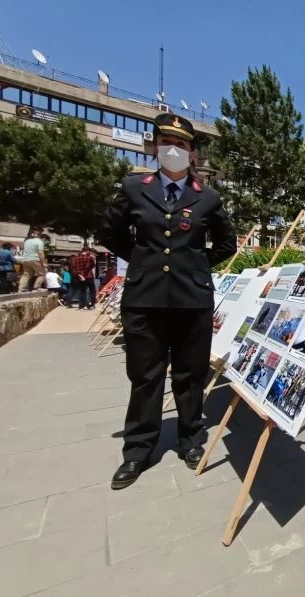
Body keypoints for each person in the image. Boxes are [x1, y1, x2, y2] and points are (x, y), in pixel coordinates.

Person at [100, 113, 236, 490]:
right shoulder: (134, 188)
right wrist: (142, 259)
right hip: (144, 298)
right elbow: (109, 232)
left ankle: (190, 438)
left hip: (192, 299)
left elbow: (226, 243)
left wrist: (192, 266)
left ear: (192, 153)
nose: (173, 149)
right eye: (166, 142)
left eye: (181, 144)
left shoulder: (208, 197)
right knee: (145, 375)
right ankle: (138, 449)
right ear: (155, 147)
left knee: (190, 374)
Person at [18, 227, 46, 291]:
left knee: (26, 274)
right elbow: (41, 252)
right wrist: (43, 263)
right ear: (39, 233)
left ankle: (21, 289)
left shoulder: (26, 241)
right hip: (34, 259)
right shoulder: (39, 242)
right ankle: (37, 287)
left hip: (25, 259)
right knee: (42, 273)